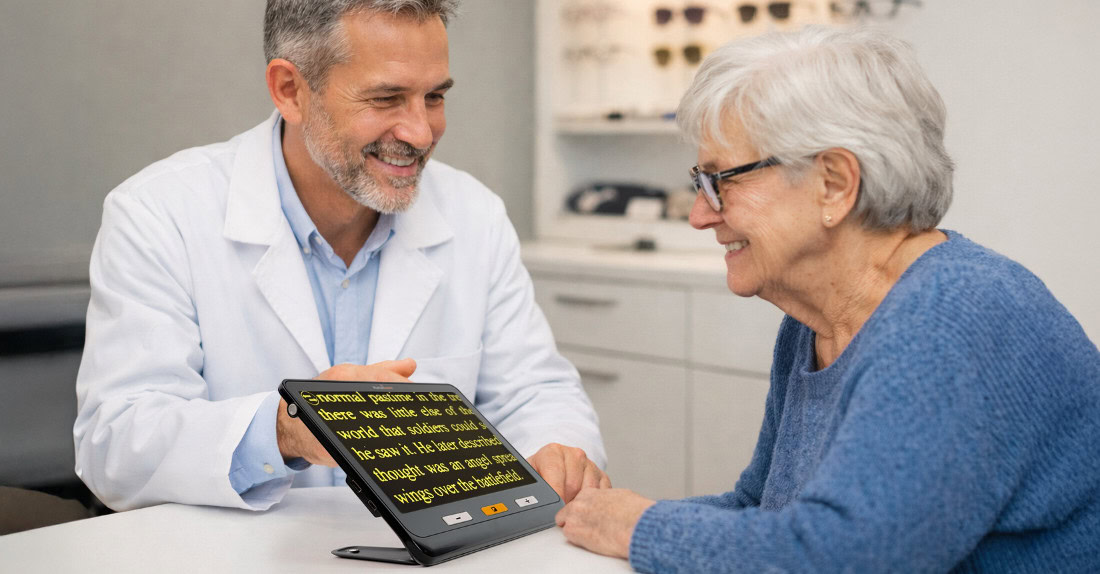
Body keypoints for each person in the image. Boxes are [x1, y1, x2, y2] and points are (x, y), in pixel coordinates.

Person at [555, 26, 1100, 572]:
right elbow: (762, 510)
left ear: (835, 184)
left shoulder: (954, 316)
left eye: (722, 180)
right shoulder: (815, 323)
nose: (700, 214)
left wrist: (639, 526)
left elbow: (845, 557)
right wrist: (600, 520)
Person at [74, 0, 608, 512]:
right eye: (385, 99)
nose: (421, 132)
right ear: (290, 91)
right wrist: (286, 429)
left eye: (435, 97)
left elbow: (535, 393)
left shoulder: (475, 215)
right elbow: (116, 443)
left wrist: (558, 452)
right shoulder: (159, 212)